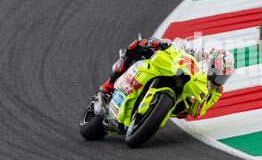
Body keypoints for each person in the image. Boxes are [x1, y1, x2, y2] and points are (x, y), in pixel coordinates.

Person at [95, 35, 235, 119]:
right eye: (217, 74)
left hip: (183, 99)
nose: (218, 79)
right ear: (210, 64)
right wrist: (163, 44)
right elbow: (181, 45)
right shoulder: (200, 53)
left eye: (222, 77)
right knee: (141, 44)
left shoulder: (216, 91)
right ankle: (108, 85)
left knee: (183, 111)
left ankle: (151, 113)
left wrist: (202, 98)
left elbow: (197, 112)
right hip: (177, 69)